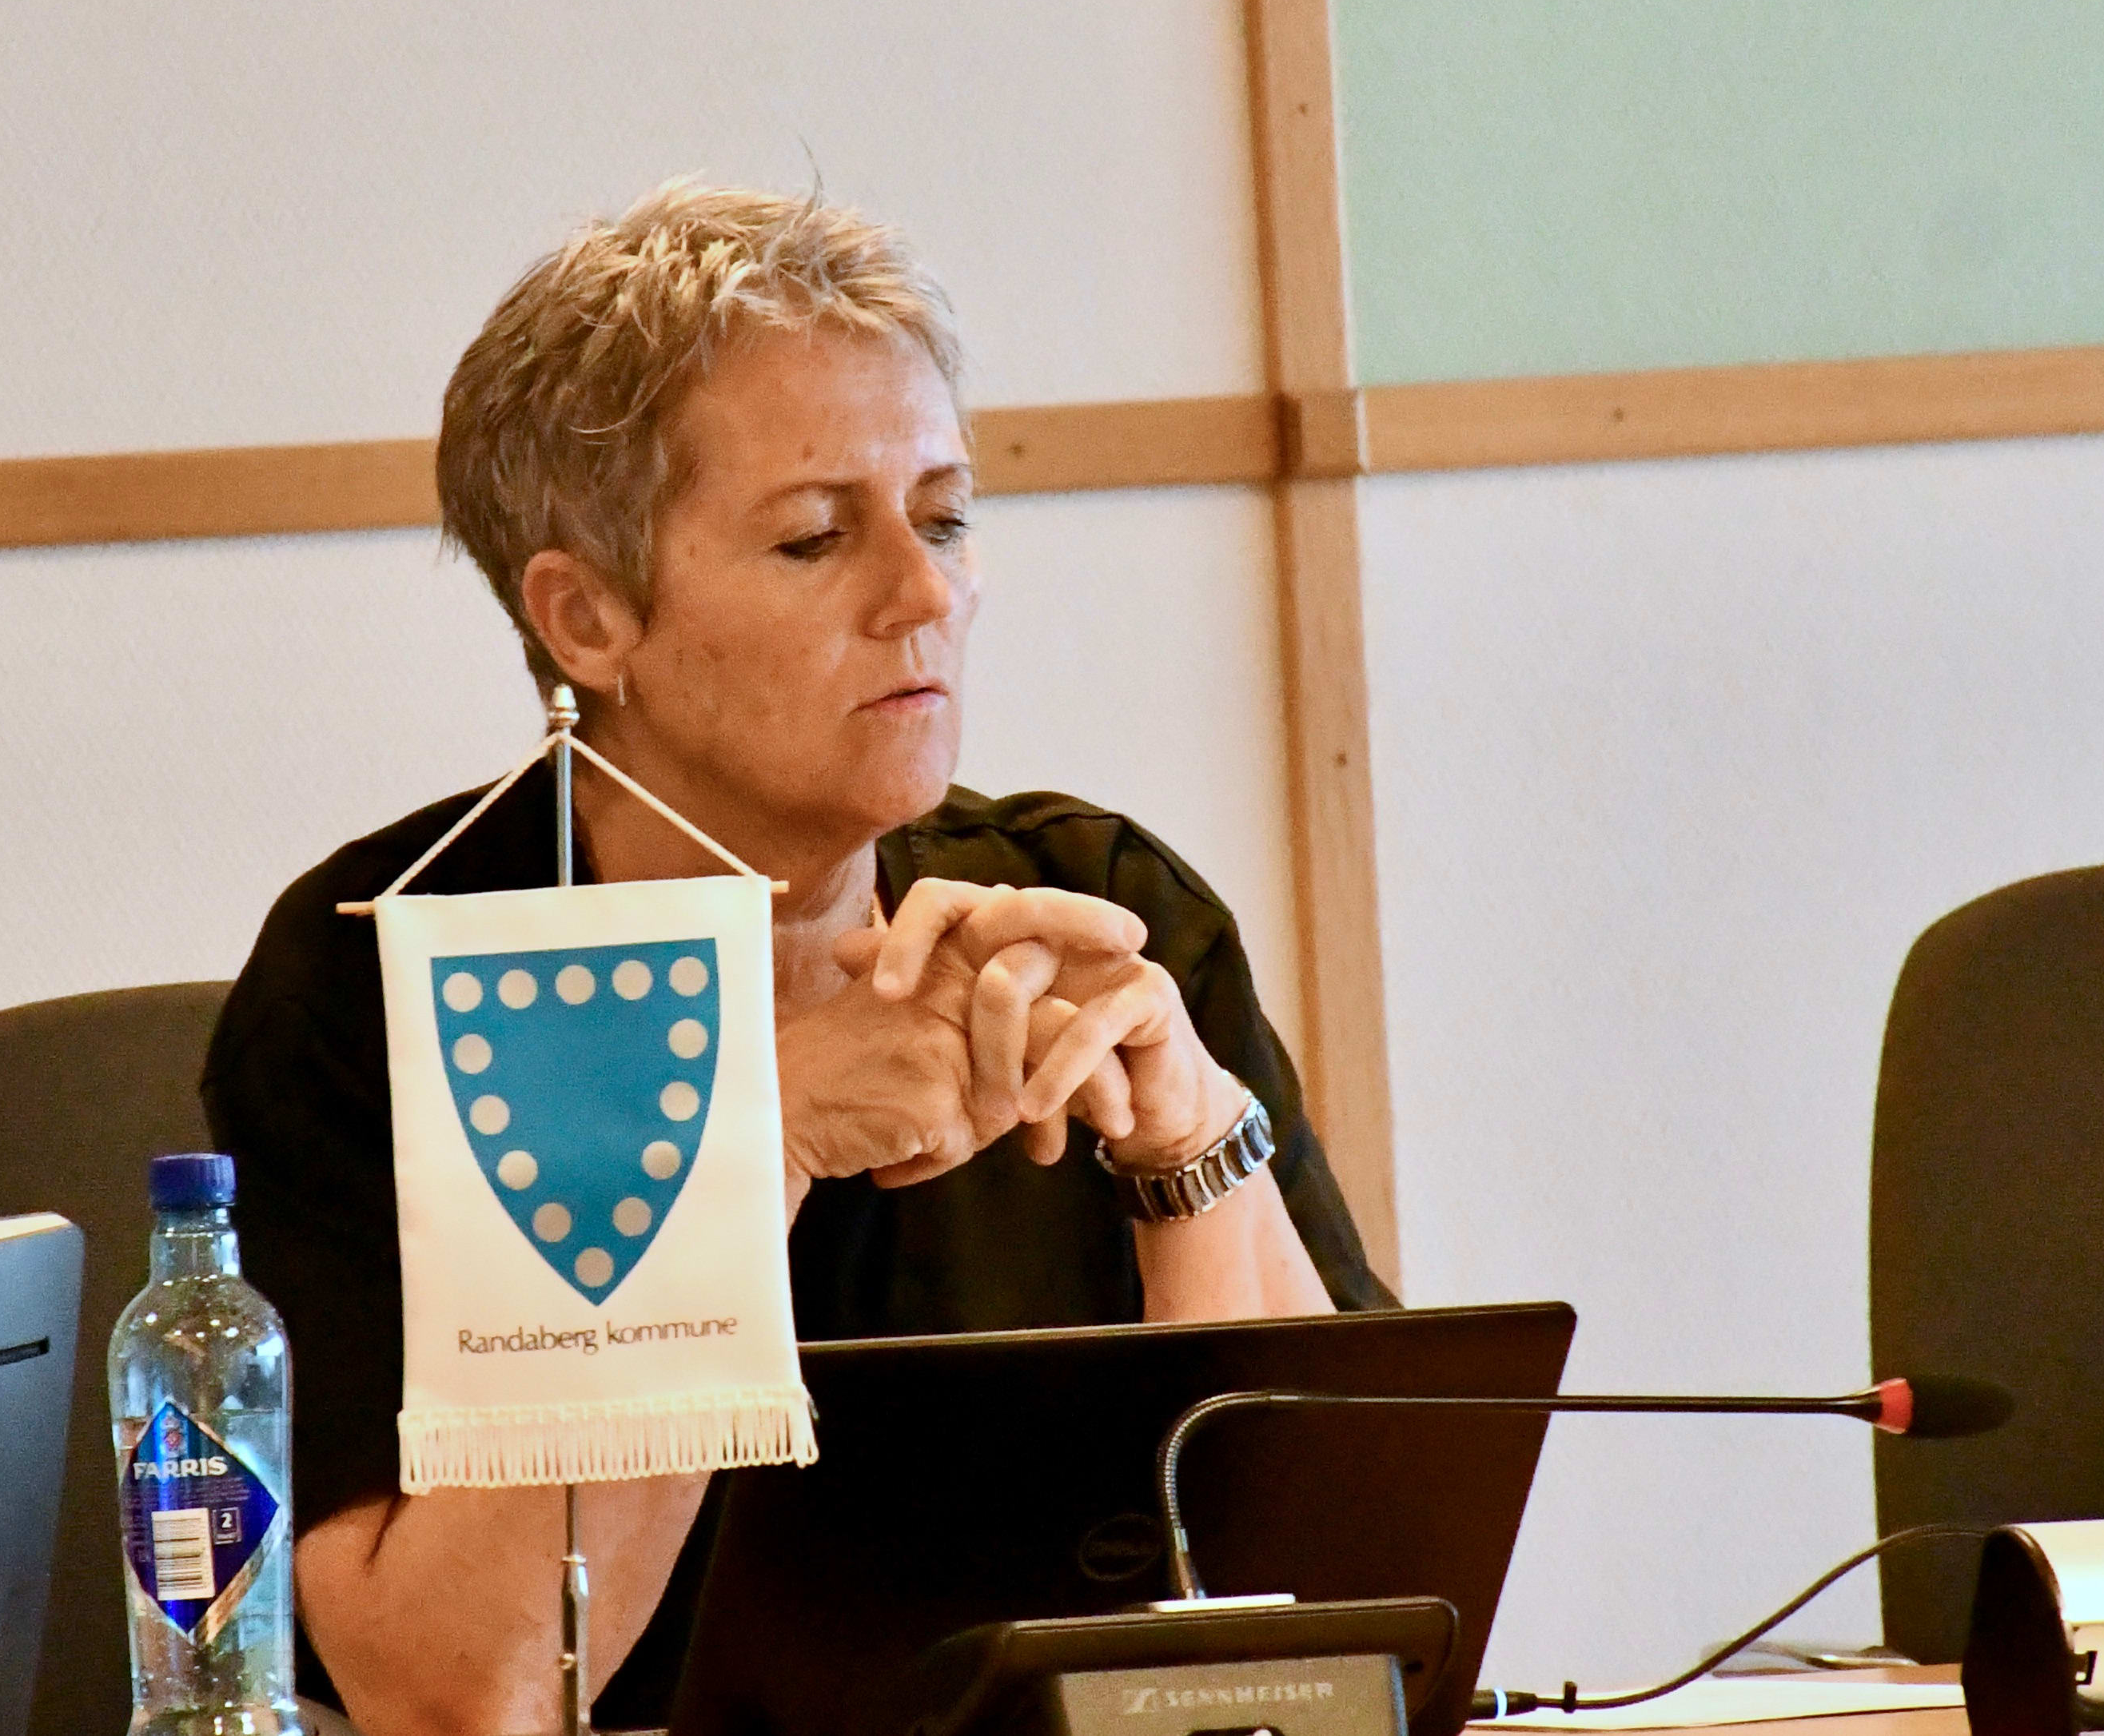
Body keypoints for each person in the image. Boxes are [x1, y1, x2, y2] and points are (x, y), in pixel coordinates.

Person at [201, 182, 1389, 1736]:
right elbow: (460, 1693)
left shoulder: (1092, 907)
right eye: (817, 537)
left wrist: (1191, 1147)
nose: (924, 592)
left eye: (945, 516)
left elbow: (1366, 1616)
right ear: (587, 617)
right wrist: (749, 1144)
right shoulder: (385, 978)